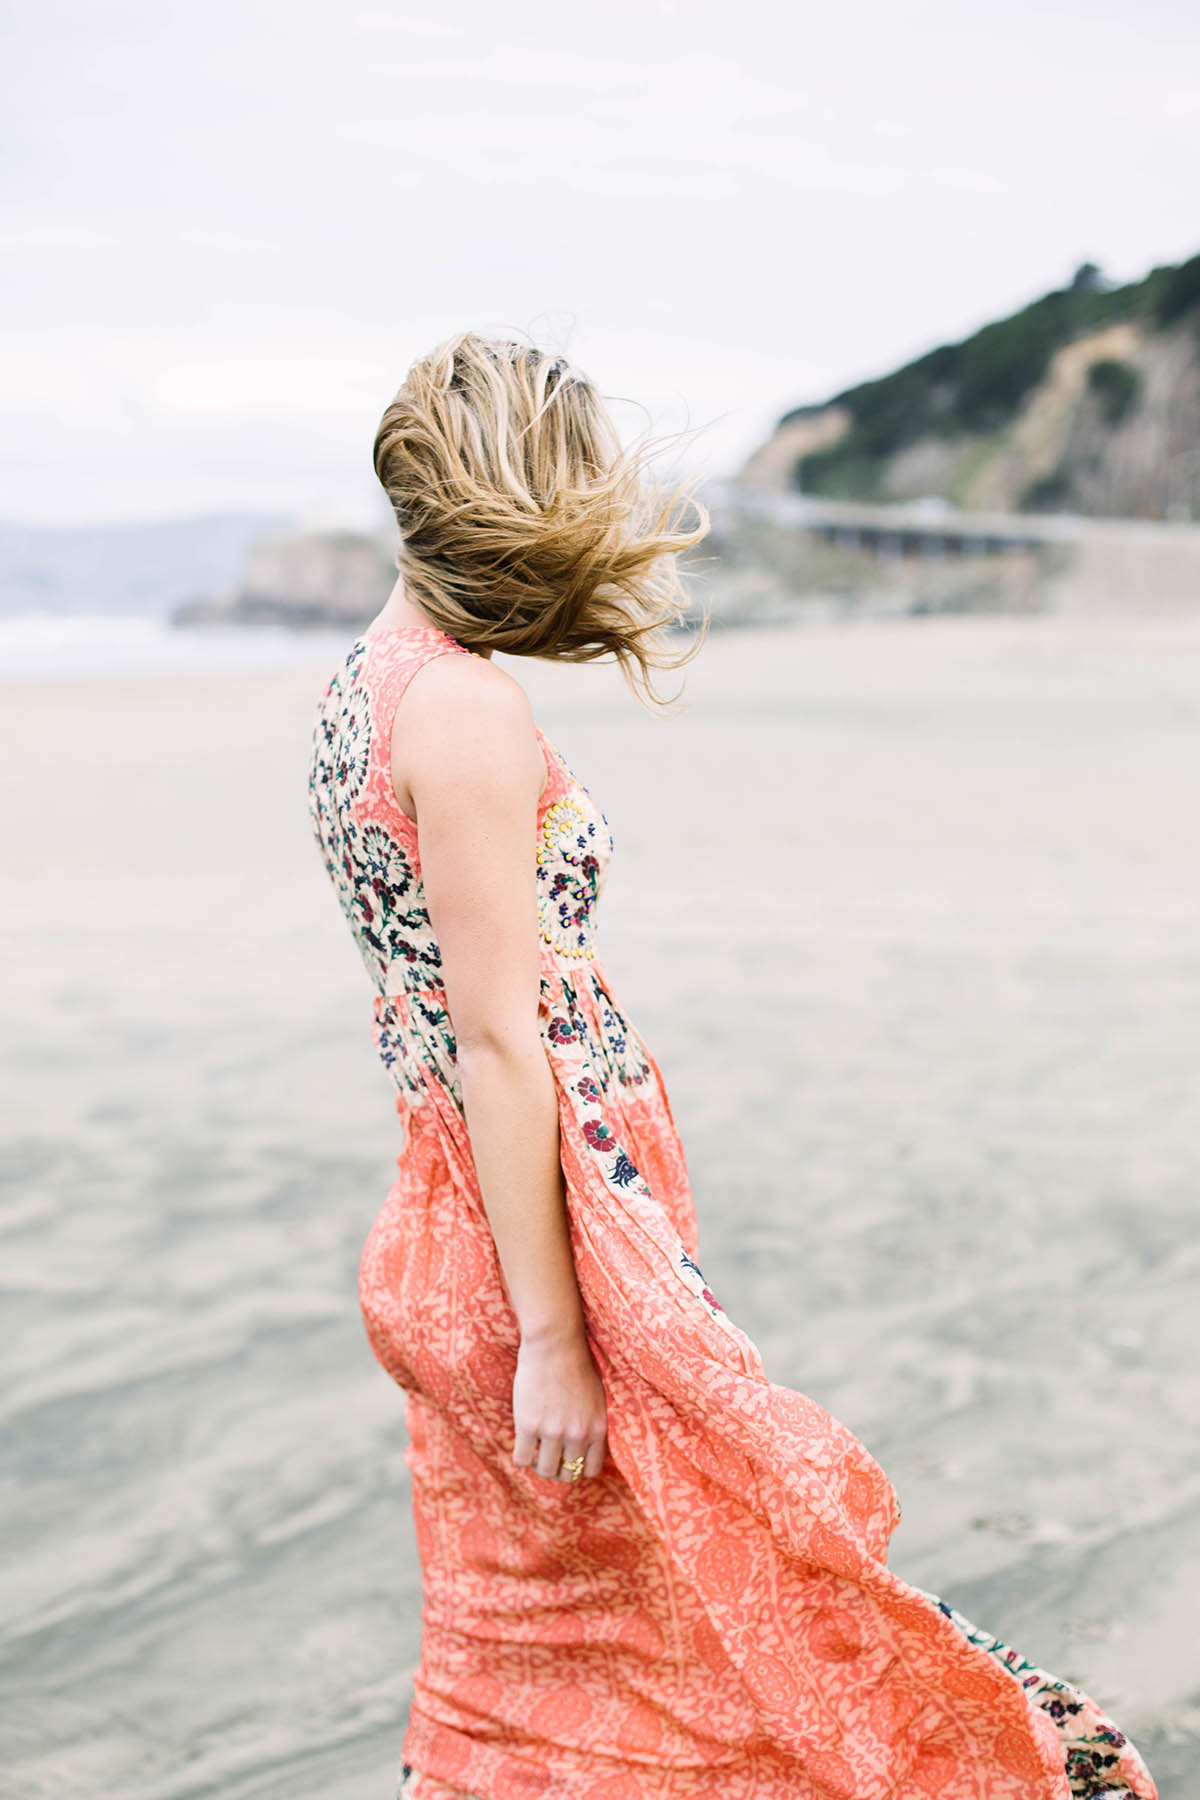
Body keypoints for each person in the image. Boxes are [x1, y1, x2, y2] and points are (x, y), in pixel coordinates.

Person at [307, 331, 1158, 1800]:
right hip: (545, 1246)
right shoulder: (462, 710)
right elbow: (499, 1040)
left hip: (464, 1226)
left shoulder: (368, 688)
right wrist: (557, 1333)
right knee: (753, 1588)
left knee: (549, 1660)